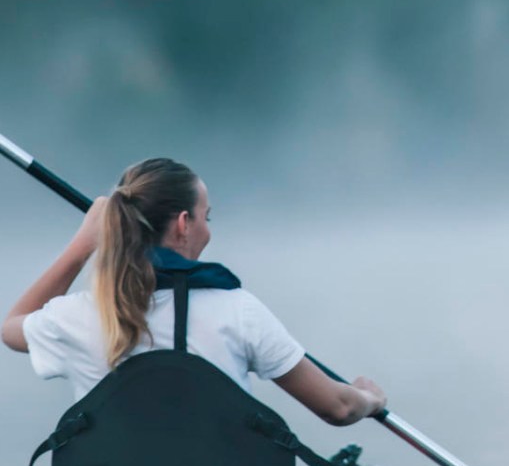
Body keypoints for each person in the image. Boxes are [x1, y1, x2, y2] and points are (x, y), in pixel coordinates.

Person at [2, 157, 386, 435]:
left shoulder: (81, 316)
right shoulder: (237, 311)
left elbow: (10, 328)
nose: (207, 229)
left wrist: (83, 244)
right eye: (207, 217)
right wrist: (369, 399)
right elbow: (338, 407)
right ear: (184, 224)